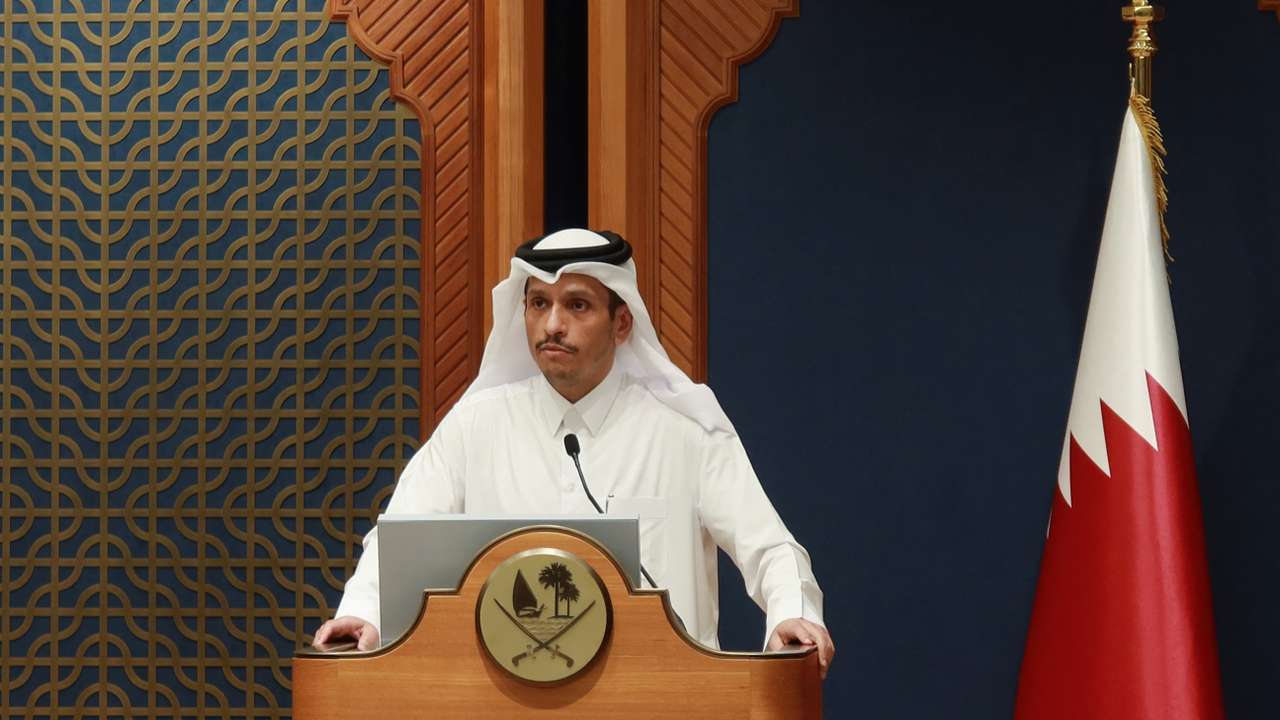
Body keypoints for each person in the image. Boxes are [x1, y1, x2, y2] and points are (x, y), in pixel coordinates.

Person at [313, 228, 835, 677]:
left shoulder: (684, 432)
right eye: (539, 304)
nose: (552, 325)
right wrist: (364, 612)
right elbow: (399, 539)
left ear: (622, 323)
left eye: (577, 305)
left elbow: (771, 548)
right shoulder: (475, 427)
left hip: (659, 695)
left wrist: (792, 613)